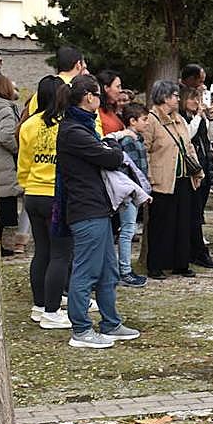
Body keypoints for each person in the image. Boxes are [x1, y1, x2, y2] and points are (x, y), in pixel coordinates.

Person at [55, 74, 139, 348]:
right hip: (85, 209)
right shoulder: (73, 131)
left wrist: (108, 144)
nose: (100, 100)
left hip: (98, 208)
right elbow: (112, 158)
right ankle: (81, 330)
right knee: (86, 271)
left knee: (107, 270)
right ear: (88, 97)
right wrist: (113, 144)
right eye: (98, 95)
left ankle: (110, 323)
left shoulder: (83, 127)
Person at [18, 78, 72, 329]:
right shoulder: (66, 124)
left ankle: (40, 305)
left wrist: (26, 184)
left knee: (42, 251)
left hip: (33, 193)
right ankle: (52, 311)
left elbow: (24, 161)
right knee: (61, 254)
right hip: (57, 195)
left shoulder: (29, 125)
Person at [144, 79, 203, 280]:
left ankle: (181, 263)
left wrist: (198, 172)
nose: (178, 99)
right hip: (161, 180)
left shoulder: (179, 120)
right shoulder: (151, 120)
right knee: (160, 225)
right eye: (175, 96)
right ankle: (156, 265)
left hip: (183, 179)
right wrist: (148, 178)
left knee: (183, 223)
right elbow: (145, 150)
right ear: (164, 97)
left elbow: (189, 147)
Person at [181, 86, 213, 269]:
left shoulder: (201, 118)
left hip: (205, 166)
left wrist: (210, 119)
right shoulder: (182, 118)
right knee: (194, 211)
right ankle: (195, 250)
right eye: (192, 98)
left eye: (198, 99)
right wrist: (198, 116)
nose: (196, 102)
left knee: (199, 209)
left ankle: (195, 248)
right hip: (191, 168)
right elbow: (188, 135)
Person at [113, 102, 151, 287]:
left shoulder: (137, 139)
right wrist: (138, 191)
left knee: (128, 229)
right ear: (132, 121)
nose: (147, 123)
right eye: (144, 119)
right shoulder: (128, 141)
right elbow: (132, 170)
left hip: (134, 191)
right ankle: (125, 271)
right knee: (127, 231)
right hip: (129, 193)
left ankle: (124, 269)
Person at [0, 75, 22, 257]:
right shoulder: (5, 109)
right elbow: (6, 136)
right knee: (3, 208)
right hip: (3, 161)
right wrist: (17, 150)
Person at [95, 69, 125, 135]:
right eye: (118, 87)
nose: (120, 90)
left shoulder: (112, 110)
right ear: (106, 88)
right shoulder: (96, 112)